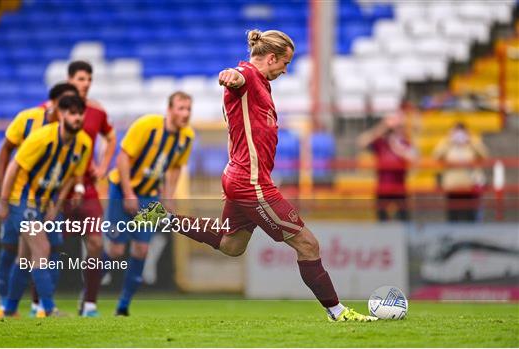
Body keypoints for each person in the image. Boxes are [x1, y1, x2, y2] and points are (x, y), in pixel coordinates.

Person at [135, 29, 377, 322]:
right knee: (307, 243)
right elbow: (234, 78)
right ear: (272, 57)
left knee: (231, 246)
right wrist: (229, 76)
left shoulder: (262, 84)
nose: (286, 70)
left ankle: (163, 216)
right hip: (251, 184)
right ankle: (337, 312)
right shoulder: (247, 76)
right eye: (285, 64)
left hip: (241, 178)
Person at [0, 95, 92, 317]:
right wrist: (2, 201)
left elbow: (70, 177)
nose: (77, 118)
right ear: (61, 114)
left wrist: (55, 207)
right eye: (72, 113)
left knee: (24, 256)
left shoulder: (83, 143)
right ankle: (48, 308)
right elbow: (14, 167)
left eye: (80, 113)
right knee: (42, 248)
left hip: (43, 201)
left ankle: (9, 309)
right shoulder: (41, 138)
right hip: (21, 198)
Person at [103, 91, 194, 316]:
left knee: (142, 249)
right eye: (180, 108)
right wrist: (128, 193)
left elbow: (175, 167)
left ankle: (123, 305)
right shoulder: (147, 125)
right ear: (169, 109)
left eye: (188, 109)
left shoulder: (187, 137)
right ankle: (88, 295)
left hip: (151, 198)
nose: (185, 113)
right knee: (115, 249)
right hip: (121, 190)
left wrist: (168, 196)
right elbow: (123, 157)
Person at [65, 61, 117, 316]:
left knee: (96, 243)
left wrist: (104, 165)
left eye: (89, 79)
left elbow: (111, 136)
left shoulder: (96, 111)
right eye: (81, 78)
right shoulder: (57, 110)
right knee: (49, 246)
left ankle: (89, 303)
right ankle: (39, 304)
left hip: (88, 187)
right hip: (59, 188)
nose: (85, 83)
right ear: (69, 80)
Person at [357, 114, 416, 221]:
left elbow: (414, 158)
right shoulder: (382, 143)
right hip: (383, 188)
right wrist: (383, 126)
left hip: (399, 188)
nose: (395, 130)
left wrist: (399, 148)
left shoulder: (404, 144)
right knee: (382, 219)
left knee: (404, 219)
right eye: (394, 128)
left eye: (398, 127)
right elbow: (361, 142)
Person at [433, 122, 489, 222]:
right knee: (453, 213)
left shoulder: (471, 144)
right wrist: (449, 140)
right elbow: (436, 155)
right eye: (457, 131)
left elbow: (485, 155)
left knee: (468, 213)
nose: (459, 135)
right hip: (452, 185)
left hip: (468, 184)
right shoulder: (447, 144)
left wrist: (471, 140)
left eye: (462, 131)